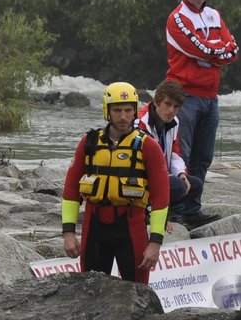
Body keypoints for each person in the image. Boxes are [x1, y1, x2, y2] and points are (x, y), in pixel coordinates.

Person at [62, 82, 171, 284]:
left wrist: (155, 243)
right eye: (117, 110)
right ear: (107, 110)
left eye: (128, 110)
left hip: (132, 230)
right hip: (94, 229)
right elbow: (70, 192)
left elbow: (161, 199)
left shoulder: (148, 147)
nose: (123, 116)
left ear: (135, 112)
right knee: (91, 294)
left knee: (137, 294)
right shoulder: (89, 143)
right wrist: (69, 234)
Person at [164, 0, 238, 222]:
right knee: (179, 155)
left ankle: (192, 209)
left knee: (203, 157)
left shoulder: (214, 14)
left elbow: (234, 50)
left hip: (210, 96)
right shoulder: (177, 18)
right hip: (185, 96)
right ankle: (174, 212)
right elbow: (198, 49)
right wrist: (218, 50)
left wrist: (215, 51)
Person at [135, 80, 203, 227]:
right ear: (157, 102)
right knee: (178, 186)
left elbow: (175, 153)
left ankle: (171, 214)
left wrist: (181, 174)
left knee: (195, 184)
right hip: (139, 179)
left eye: (176, 107)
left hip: (160, 175)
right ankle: (147, 212)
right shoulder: (141, 122)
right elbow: (140, 163)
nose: (171, 110)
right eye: (167, 104)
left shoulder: (174, 122)